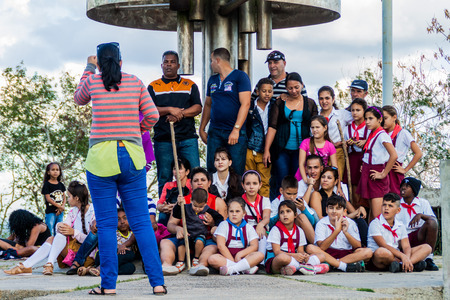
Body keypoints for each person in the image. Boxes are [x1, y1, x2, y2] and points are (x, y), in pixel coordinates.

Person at [73, 42, 165, 295]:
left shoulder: (93, 80)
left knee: (105, 224)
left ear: (100, 64)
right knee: (142, 223)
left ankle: (108, 286)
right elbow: (153, 116)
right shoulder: (135, 82)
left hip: (101, 158)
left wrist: (89, 67)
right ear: (121, 62)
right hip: (132, 157)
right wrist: (138, 131)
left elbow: (78, 98)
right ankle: (157, 283)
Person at [4, 181, 94, 276]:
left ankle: (31, 266)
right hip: (74, 251)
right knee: (54, 237)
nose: (67, 199)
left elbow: (93, 241)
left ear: (76, 198)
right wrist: (59, 225)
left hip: (86, 256)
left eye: (69, 196)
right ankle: (43, 264)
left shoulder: (93, 211)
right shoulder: (73, 212)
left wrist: (74, 232)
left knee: (54, 238)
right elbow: (63, 229)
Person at [148, 50, 202, 197]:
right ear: (161, 65)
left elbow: (198, 107)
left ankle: (194, 211)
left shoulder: (189, 85)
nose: (169, 65)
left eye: (172, 62)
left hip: (187, 138)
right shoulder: (153, 86)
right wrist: (170, 109)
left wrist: (180, 114)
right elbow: (150, 109)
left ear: (178, 65)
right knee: (164, 177)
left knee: (194, 176)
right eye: (166, 62)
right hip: (164, 139)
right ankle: (165, 214)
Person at [159, 167, 227, 276]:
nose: (199, 183)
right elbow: (170, 225)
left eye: (203, 180)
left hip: (205, 239)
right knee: (165, 242)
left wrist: (213, 225)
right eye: (195, 180)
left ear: (209, 183)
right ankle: (167, 265)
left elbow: (224, 225)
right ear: (191, 184)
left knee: (212, 247)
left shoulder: (218, 202)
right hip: (185, 237)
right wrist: (178, 229)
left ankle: (200, 265)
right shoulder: (183, 201)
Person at [264, 72, 318, 196]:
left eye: (296, 87)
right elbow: (272, 127)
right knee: (281, 179)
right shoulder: (280, 102)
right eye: (290, 88)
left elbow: (316, 126)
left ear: (302, 85)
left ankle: (295, 208)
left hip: (301, 150)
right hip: (281, 148)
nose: (293, 91)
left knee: (297, 180)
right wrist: (267, 150)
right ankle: (278, 208)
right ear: (286, 88)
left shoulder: (310, 103)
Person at [199, 47, 251, 175]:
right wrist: (202, 128)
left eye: (211, 61)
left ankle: (234, 195)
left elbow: (246, 104)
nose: (211, 64)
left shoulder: (240, 76)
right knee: (212, 168)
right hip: (215, 131)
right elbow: (208, 104)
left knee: (236, 171)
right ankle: (214, 195)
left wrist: (236, 129)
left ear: (217, 60)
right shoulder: (212, 80)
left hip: (235, 133)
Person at [368, 193, 431, 272]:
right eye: (384, 205)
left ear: (398, 210)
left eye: (390, 206)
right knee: (381, 252)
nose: (386, 208)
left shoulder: (400, 225)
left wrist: (406, 257)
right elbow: (383, 245)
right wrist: (402, 256)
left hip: (397, 255)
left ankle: (403, 265)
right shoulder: (375, 223)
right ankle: (411, 264)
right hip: (382, 258)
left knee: (427, 247)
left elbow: (406, 246)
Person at [310, 195, 372, 272]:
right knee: (310, 248)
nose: (334, 211)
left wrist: (345, 232)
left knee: (368, 252)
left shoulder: (350, 223)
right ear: (326, 210)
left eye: (338, 208)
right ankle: (342, 266)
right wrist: (337, 231)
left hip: (347, 255)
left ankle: (334, 264)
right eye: (331, 208)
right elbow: (322, 247)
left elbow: (357, 246)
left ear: (344, 211)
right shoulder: (321, 223)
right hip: (328, 253)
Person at [265, 201, 329, 275]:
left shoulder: (299, 231)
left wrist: (304, 256)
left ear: (295, 215)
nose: (285, 215)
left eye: (288, 211)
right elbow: (277, 252)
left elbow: (300, 251)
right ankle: (309, 268)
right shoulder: (276, 230)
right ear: (279, 217)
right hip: (276, 261)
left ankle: (297, 268)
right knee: (282, 258)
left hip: (293, 260)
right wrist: (294, 255)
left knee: (322, 256)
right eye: (282, 212)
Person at [168, 188, 223, 273]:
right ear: (190, 200)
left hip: (200, 234)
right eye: (195, 206)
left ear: (205, 203)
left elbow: (220, 218)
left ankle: (196, 259)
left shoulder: (207, 210)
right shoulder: (185, 208)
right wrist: (179, 205)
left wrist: (215, 226)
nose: (197, 209)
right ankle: (181, 262)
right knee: (182, 243)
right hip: (188, 233)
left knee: (199, 241)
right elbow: (176, 214)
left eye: (200, 206)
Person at [357, 106, 398, 221]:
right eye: (366, 119)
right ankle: (371, 238)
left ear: (380, 119)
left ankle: (383, 238)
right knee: (371, 213)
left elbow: (394, 155)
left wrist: (383, 174)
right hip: (368, 172)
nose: (367, 122)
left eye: (371, 118)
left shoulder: (382, 135)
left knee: (377, 215)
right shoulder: (372, 134)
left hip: (377, 174)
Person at [208, 197, 264, 275]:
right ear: (227, 213)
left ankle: (231, 270)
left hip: (243, 257)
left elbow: (254, 246)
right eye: (231, 211)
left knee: (260, 255)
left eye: (237, 211)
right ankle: (243, 268)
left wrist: (239, 254)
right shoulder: (223, 225)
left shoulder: (248, 227)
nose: (234, 214)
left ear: (244, 213)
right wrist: (232, 261)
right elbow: (221, 246)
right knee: (212, 259)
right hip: (226, 256)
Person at [80, 208, 137, 277]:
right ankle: (101, 268)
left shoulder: (132, 234)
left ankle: (93, 270)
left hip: (119, 260)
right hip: (103, 257)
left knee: (130, 267)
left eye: (125, 218)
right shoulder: (112, 232)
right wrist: (119, 247)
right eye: (118, 219)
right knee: (126, 253)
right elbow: (105, 244)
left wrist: (123, 246)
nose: (122, 222)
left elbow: (132, 240)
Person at [397, 177, 439, 270]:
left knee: (432, 223)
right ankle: (414, 263)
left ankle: (428, 259)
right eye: (402, 186)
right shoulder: (397, 204)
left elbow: (434, 220)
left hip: (418, 236)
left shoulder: (423, 203)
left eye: (407, 186)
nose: (403, 188)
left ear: (413, 191)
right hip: (402, 239)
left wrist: (421, 215)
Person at [382, 105, 423, 195]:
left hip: (394, 169)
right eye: (381, 118)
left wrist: (405, 169)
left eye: (385, 118)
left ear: (394, 117)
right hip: (381, 168)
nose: (382, 121)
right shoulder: (381, 133)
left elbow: (418, 153)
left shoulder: (403, 133)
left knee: (395, 197)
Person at [245, 78, 275, 197]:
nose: (267, 94)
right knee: (249, 178)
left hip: (266, 149)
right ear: (257, 92)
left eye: (270, 91)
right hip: (250, 147)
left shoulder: (274, 106)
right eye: (264, 91)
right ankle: (250, 206)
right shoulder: (250, 106)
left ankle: (264, 209)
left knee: (265, 180)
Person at [318, 86, 353, 181]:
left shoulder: (342, 114)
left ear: (333, 99)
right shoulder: (316, 116)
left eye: (327, 98)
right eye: (321, 98)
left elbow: (359, 121)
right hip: (320, 153)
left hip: (338, 152)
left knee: (336, 180)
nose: (324, 101)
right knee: (321, 181)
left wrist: (350, 140)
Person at [270, 175, 316, 243]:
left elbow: (312, 222)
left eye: (295, 194)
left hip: (297, 230)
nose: (292, 197)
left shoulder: (299, 200)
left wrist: (303, 209)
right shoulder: (276, 202)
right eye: (288, 194)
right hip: (281, 230)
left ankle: (317, 247)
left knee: (302, 216)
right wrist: (281, 212)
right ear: (281, 190)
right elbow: (270, 224)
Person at [296, 115, 338, 182]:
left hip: (321, 179)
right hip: (303, 177)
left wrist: (338, 185)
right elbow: (301, 164)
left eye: (317, 127)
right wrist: (306, 180)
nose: (314, 130)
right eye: (312, 127)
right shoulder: (305, 143)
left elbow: (335, 167)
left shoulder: (330, 146)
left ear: (325, 128)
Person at [344, 98, 369, 208]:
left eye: (358, 110)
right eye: (353, 110)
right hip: (352, 159)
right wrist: (346, 144)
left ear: (364, 111)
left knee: (365, 187)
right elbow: (344, 147)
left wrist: (365, 143)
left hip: (365, 158)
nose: (354, 113)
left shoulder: (368, 127)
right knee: (353, 188)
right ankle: (355, 211)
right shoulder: (347, 129)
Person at [242, 170, 271, 255]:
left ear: (260, 185)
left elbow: (266, 218)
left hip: (260, 230)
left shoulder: (265, 200)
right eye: (248, 184)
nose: (251, 187)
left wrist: (260, 224)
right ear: (243, 185)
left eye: (255, 183)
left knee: (261, 235)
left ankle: (261, 262)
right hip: (245, 230)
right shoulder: (240, 201)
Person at [157, 157, 192, 226]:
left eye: (180, 168)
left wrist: (176, 206)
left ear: (187, 172)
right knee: (162, 216)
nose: (176, 172)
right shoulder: (168, 185)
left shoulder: (192, 184)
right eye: (174, 169)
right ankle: (163, 235)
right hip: (170, 213)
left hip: (187, 212)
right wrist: (164, 207)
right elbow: (159, 204)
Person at [42, 162, 66, 236]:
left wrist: (62, 207)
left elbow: (64, 197)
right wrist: (59, 206)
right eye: (53, 170)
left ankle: (57, 244)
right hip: (51, 212)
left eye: (57, 170)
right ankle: (48, 243)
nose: (55, 171)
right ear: (48, 172)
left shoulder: (61, 185)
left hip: (60, 212)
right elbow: (48, 199)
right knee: (49, 228)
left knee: (59, 229)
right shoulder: (47, 184)